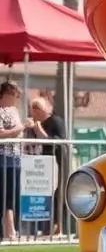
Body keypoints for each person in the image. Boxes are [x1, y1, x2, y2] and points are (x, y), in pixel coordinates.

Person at [24, 97, 67, 236]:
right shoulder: (34, 123)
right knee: (43, 193)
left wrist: (38, 128)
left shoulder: (55, 121)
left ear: (42, 110)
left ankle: (58, 225)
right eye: (32, 107)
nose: (33, 111)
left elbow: (58, 141)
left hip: (55, 159)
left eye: (35, 108)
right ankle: (45, 226)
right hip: (39, 163)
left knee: (57, 192)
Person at [0, 81, 24, 241]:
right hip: (2, 158)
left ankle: (11, 230)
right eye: (13, 96)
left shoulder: (14, 111)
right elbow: (1, 133)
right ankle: (9, 231)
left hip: (15, 158)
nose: (14, 100)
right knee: (4, 196)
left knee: (12, 196)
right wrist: (20, 128)